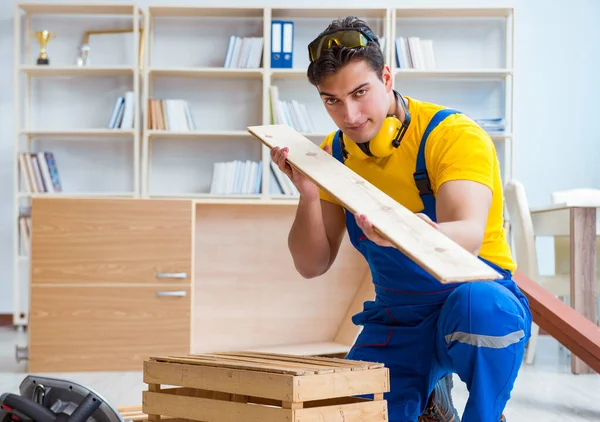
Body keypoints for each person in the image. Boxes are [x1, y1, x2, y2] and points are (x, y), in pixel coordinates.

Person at [270, 15, 532, 422]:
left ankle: (485, 415)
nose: (350, 115)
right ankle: (429, 400)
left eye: (360, 93)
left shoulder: (452, 135)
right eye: (332, 100)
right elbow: (311, 264)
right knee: (352, 412)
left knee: (481, 308)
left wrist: (403, 233)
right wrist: (307, 193)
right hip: (398, 317)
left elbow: (467, 237)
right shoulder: (334, 154)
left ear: (387, 77)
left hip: (473, 301)